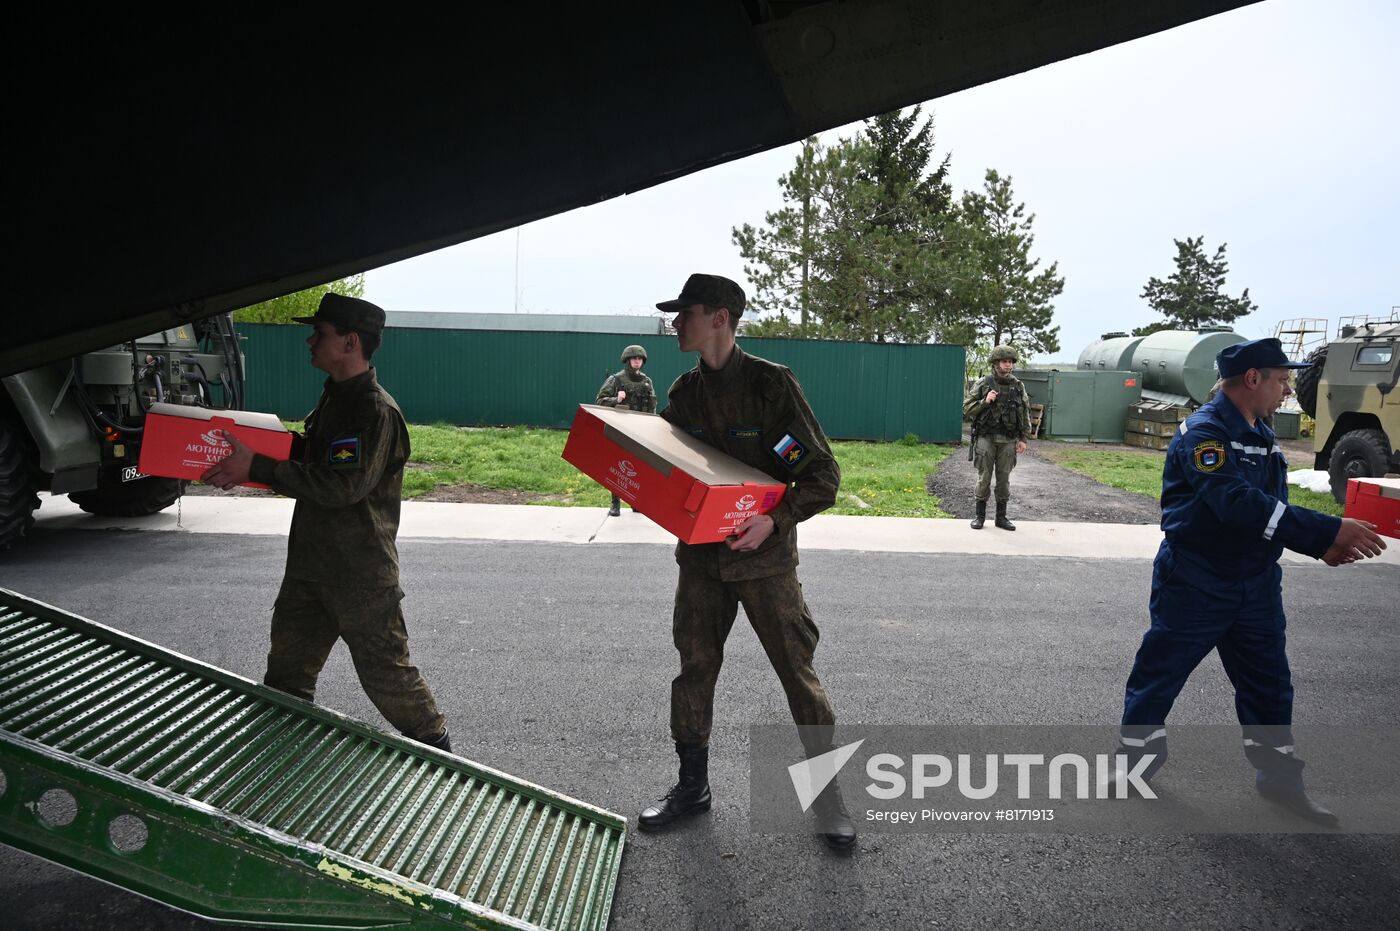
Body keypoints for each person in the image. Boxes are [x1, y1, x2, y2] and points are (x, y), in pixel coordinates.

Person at [1113, 337, 1386, 824]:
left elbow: (1267, 508)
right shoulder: (1204, 434)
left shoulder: (1259, 430)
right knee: (1159, 677)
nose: (1287, 389)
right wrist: (1326, 529)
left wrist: (1320, 545)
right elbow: (1235, 503)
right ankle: (1132, 769)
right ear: (1253, 379)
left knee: (1270, 687)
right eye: (1281, 379)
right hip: (1196, 581)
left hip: (1255, 584)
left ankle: (1281, 783)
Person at [638, 273, 855, 851]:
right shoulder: (684, 394)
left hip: (766, 566)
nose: (675, 322)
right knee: (694, 669)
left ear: (720, 318)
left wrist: (773, 520)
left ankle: (829, 797)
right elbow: (670, 472)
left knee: (797, 675)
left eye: (686, 313)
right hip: (702, 565)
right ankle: (692, 788)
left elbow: (821, 478)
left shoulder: (770, 387)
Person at [202, 293, 452, 754]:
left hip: (360, 576)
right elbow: (320, 457)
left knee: (390, 681)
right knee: (286, 678)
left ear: (351, 342)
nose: (310, 339)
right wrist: (256, 449)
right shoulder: (336, 398)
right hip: (311, 569)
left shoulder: (374, 410)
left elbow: (344, 485)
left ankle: (448, 764)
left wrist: (256, 467)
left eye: (321, 332)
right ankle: (280, 770)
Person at [962, 345, 1030, 530]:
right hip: (987, 438)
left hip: (1008, 440)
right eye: (1004, 361)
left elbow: (1024, 413)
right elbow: (966, 408)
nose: (1008, 365)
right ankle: (979, 516)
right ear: (996, 363)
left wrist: (1024, 438)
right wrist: (985, 401)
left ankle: (1001, 518)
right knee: (984, 477)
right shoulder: (984, 383)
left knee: (1004, 479)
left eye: (1010, 362)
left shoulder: (1018, 385)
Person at [595, 344, 656, 516]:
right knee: (619, 466)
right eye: (634, 358)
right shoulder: (616, 379)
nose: (637, 361)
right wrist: (616, 398)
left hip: (641, 429)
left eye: (640, 359)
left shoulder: (646, 381)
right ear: (628, 360)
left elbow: (652, 407)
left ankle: (636, 502)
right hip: (621, 429)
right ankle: (615, 504)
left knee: (638, 467)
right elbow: (600, 401)